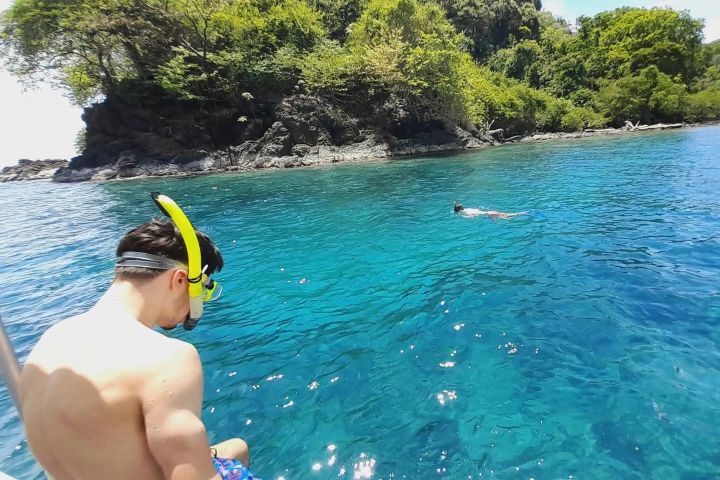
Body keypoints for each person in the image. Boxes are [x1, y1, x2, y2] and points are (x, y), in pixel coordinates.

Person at [19, 193, 256, 480]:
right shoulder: (167, 359)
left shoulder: (53, 339)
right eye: (204, 291)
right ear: (180, 280)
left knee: (236, 448)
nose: (200, 304)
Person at [453, 201, 527, 219]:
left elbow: (472, 217)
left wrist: (464, 217)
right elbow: (476, 210)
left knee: (509, 215)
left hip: (489, 214)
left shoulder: (466, 213)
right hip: (488, 213)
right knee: (505, 216)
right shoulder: (467, 209)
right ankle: (523, 213)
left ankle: (524, 213)